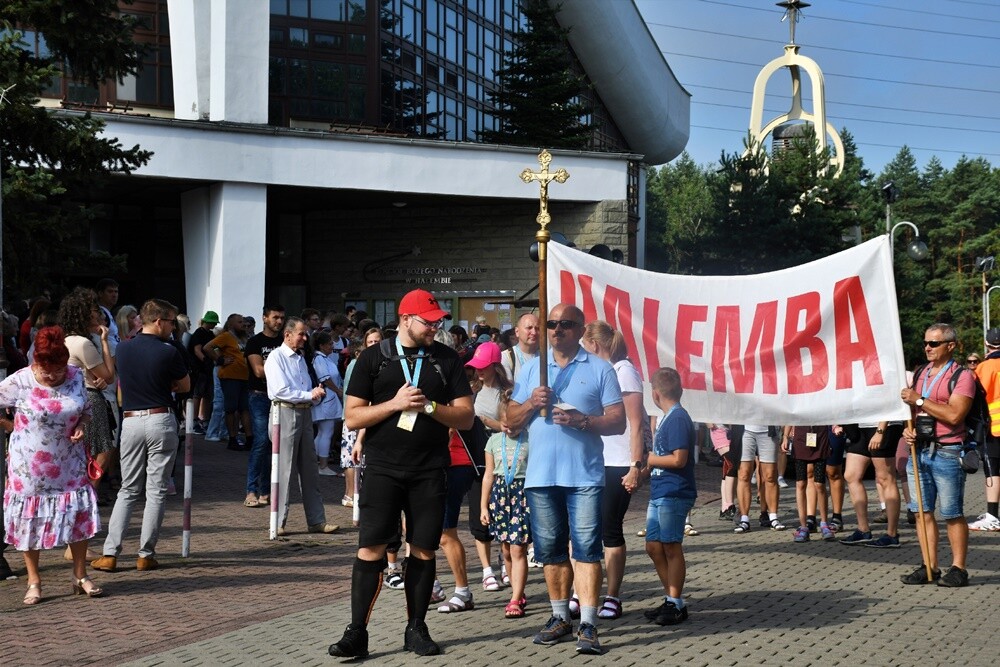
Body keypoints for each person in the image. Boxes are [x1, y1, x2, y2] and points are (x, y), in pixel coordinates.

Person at [328, 289, 474, 659]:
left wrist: (430, 407)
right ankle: (356, 632)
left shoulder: (447, 360)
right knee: (370, 549)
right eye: (429, 321)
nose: (435, 327)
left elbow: (466, 417)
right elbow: (353, 417)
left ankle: (416, 628)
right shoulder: (374, 359)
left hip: (430, 469)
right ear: (406, 319)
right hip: (383, 469)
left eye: (438, 320)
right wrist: (394, 404)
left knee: (424, 549)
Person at [506, 304, 625, 655]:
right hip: (541, 477)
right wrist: (530, 403)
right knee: (550, 551)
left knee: (587, 549)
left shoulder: (600, 369)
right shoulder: (532, 369)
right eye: (552, 324)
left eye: (566, 324)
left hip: (584, 476)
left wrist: (583, 422)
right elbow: (510, 419)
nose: (557, 330)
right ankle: (560, 618)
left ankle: (587, 623)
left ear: (580, 329)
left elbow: (618, 420)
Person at [1, 326, 104, 604]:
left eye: (57, 370)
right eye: (46, 371)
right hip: (29, 466)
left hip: (69, 461)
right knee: (28, 521)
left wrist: (82, 425)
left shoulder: (75, 376)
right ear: (36, 362)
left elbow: (87, 410)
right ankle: (34, 580)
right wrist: (10, 426)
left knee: (77, 515)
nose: (52, 376)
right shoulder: (20, 381)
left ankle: (80, 575)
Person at [91, 299, 190, 573]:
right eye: (171, 322)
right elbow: (185, 385)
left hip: (132, 420)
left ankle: (110, 553)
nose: (173, 327)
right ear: (158, 321)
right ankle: (146, 553)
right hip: (160, 417)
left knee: (128, 489)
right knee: (156, 490)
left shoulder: (123, 348)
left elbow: (117, 377)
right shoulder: (169, 351)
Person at [581, 320, 648, 620]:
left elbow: (636, 424)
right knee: (585, 530)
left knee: (610, 528)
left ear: (595, 345)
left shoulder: (624, 371)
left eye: (585, 346)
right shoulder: (601, 371)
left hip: (619, 462)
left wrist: (635, 466)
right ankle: (582, 594)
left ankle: (613, 595)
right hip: (595, 459)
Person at [899, 323, 974, 587]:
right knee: (921, 512)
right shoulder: (921, 372)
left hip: (947, 451)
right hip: (917, 450)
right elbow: (911, 408)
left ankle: (959, 568)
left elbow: (955, 415)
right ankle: (929, 565)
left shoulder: (962, 375)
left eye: (934, 343)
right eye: (926, 343)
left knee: (952, 513)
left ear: (950, 346)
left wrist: (920, 400)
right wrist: (908, 431)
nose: (927, 348)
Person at [263, 317, 339, 536]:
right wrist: (309, 394)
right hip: (284, 412)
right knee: (283, 469)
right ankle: (277, 521)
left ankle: (316, 520)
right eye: (301, 333)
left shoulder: (301, 357)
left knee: (309, 469)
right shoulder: (276, 358)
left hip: (304, 411)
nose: (305, 338)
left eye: (306, 334)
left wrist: (313, 395)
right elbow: (279, 390)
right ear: (287, 335)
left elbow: (302, 386)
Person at [642, 367, 696, 625]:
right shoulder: (667, 417)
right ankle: (671, 598)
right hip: (660, 490)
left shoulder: (677, 418)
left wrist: (651, 459)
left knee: (671, 546)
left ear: (654, 394)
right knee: (653, 546)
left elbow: (679, 458)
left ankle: (675, 602)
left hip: (674, 491)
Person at [58, 288, 118, 506]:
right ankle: (87, 498)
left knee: (81, 453)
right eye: (94, 311)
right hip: (90, 399)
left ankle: (82, 497)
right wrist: (104, 341)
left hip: (69, 399)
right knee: (101, 451)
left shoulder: (64, 340)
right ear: (84, 314)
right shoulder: (82, 343)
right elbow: (109, 376)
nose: (98, 316)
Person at [481, 390, 531, 619]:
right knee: (506, 550)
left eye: (514, 424)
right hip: (500, 497)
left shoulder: (531, 439)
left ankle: (515, 598)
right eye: (505, 424)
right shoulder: (493, 441)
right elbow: (488, 475)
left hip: (522, 496)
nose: (509, 429)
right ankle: (516, 591)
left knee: (518, 547)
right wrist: (484, 506)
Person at [465, 340, 511, 592]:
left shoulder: (508, 392)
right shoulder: (471, 391)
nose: (479, 371)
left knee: (504, 514)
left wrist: (483, 419)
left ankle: (506, 563)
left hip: (502, 459)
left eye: (483, 367)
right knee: (478, 518)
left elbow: (508, 425)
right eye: (475, 367)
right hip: (477, 460)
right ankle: (485, 570)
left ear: (495, 366)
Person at [243, 305, 286, 508]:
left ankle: (266, 490)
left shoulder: (284, 341)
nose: (278, 321)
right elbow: (258, 371)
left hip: (279, 397)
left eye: (281, 318)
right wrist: (282, 370)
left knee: (273, 443)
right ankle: (251, 490)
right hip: (259, 396)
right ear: (264, 318)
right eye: (275, 317)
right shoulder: (255, 342)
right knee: (260, 440)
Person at [839, 421, 904, 547]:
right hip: (863, 424)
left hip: (884, 425)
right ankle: (863, 530)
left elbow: (888, 404)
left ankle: (892, 535)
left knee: (886, 479)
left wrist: (880, 431)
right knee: (851, 475)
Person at [205, 313, 253, 451]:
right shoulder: (226, 336)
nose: (243, 325)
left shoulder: (245, 337)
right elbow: (208, 347)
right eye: (240, 322)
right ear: (231, 324)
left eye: (244, 322)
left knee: (244, 408)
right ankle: (232, 438)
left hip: (245, 377)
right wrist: (219, 360)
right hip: (230, 376)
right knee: (231, 408)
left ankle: (249, 438)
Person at [969, 327, 1000, 531]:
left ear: (987, 344)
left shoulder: (984, 367)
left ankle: (992, 516)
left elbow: (973, 395)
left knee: (993, 470)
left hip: (994, 426)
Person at [785, 425, 835, 542]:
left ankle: (824, 524)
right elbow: (792, 412)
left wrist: (835, 426)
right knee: (800, 483)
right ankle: (803, 527)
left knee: (819, 484)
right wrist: (785, 436)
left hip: (820, 436)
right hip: (801, 437)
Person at [734, 424, 784, 532]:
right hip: (745, 429)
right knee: (743, 474)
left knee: (770, 475)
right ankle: (744, 518)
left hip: (768, 429)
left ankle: (773, 517)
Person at [311, 330, 345, 476]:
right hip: (327, 399)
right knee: (326, 432)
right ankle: (322, 465)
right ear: (322, 345)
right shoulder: (319, 359)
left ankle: (314, 463)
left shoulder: (326, 358)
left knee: (323, 433)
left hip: (329, 399)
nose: (332, 346)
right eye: (330, 343)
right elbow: (325, 378)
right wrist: (338, 391)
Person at [187, 311, 220, 432]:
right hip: (199, 368)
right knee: (197, 394)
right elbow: (197, 350)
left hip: (208, 368)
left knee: (207, 395)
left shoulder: (210, 334)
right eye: (213, 323)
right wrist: (206, 360)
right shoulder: (199, 333)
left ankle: (205, 420)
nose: (214, 325)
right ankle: (194, 420)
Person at [501, 313, 539, 383]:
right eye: (529, 328)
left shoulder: (546, 356)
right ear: (517, 332)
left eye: (537, 328)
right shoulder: (506, 357)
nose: (534, 332)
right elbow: (509, 390)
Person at [94, 278, 120, 354]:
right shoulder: (99, 313)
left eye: (116, 292)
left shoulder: (107, 313)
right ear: (100, 293)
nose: (114, 295)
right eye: (110, 291)